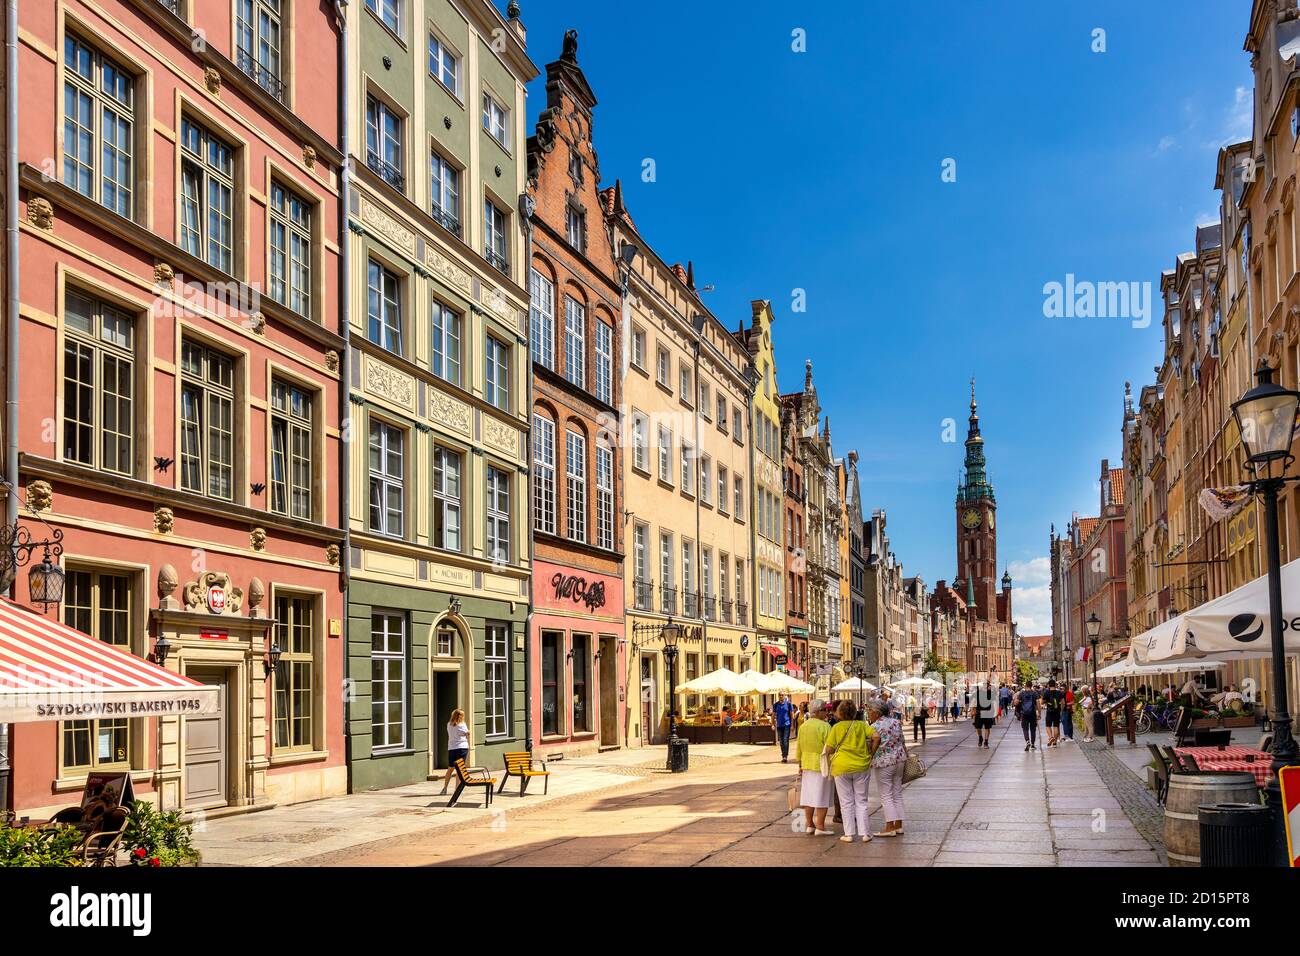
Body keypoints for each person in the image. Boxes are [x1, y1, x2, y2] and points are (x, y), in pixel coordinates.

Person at [822, 700, 878, 843]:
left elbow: (829, 749)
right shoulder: (862, 725)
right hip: (861, 766)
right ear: (854, 712)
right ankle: (865, 833)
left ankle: (849, 834)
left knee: (846, 802)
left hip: (841, 767)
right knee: (861, 801)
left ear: (840, 713)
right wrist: (871, 753)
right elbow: (876, 737)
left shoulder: (836, 727)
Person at [868, 697, 907, 837]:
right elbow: (902, 741)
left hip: (884, 762)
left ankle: (889, 827)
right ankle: (899, 825)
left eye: (870, 710)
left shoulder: (874, 726)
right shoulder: (896, 722)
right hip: (899, 760)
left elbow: (870, 745)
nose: (868, 713)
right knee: (897, 793)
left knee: (886, 795)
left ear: (877, 712)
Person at [796, 700, 835, 836]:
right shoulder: (825, 727)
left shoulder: (803, 727)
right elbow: (830, 747)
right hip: (822, 764)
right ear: (818, 712)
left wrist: (799, 763)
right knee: (822, 795)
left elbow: (799, 746)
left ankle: (809, 825)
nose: (827, 712)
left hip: (806, 764)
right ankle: (820, 826)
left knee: (808, 795)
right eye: (825, 709)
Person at [438, 708, 472, 795]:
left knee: (450, 769)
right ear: (461, 716)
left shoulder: (448, 724)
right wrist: (468, 733)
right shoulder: (462, 725)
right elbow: (467, 734)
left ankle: (444, 788)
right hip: (462, 748)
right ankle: (457, 789)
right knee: (459, 769)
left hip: (452, 748)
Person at [972, 679, 997, 748]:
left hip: (988, 713)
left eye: (988, 684)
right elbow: (974, 701)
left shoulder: (991, 693)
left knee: (987, 728)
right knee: (978, 727)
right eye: (985, 684)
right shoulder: (978, 692)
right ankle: (980, 737)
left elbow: (994, 703)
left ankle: (986, 742)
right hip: (979, 712)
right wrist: (973, 710)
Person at [1042, 679, 1066, 747]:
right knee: (1056, 726)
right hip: (1057, 711)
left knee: (1048, 725)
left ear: (1049, 685)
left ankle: (1050, 737)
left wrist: (1046, 701)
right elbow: (1063, 703)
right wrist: (1061, 710)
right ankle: (1055, 742)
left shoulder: (1046, 692)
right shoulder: (1059, 692)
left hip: (1049, 711)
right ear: (1055, 685)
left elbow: (1042, 702)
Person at [1019, 683, 1041, 750]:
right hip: (1032, 713)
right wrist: (1039, 713)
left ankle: (1027, 741)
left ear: (1025, 686)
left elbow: (1016, 702)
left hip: (1024, 713)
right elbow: (1038, 703)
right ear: (1031, 686)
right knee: (1033, 729)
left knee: (1025, 728)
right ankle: (1033, 744)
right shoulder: (1035, 693)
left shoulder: (1022, 693)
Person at [773, 693, 795, 763]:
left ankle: (785, 756)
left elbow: (792, 715)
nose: (781, 696)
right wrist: (772, 724)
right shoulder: (776, 705)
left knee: (785, 740)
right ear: (778, 696)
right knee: (781, 742)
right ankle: (783, 755)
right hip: (779, 725)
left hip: (787, 724)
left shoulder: (788, 704)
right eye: (779, 695)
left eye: (782, 695)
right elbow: (773, 715)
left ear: (784, 696)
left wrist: (792, 725)